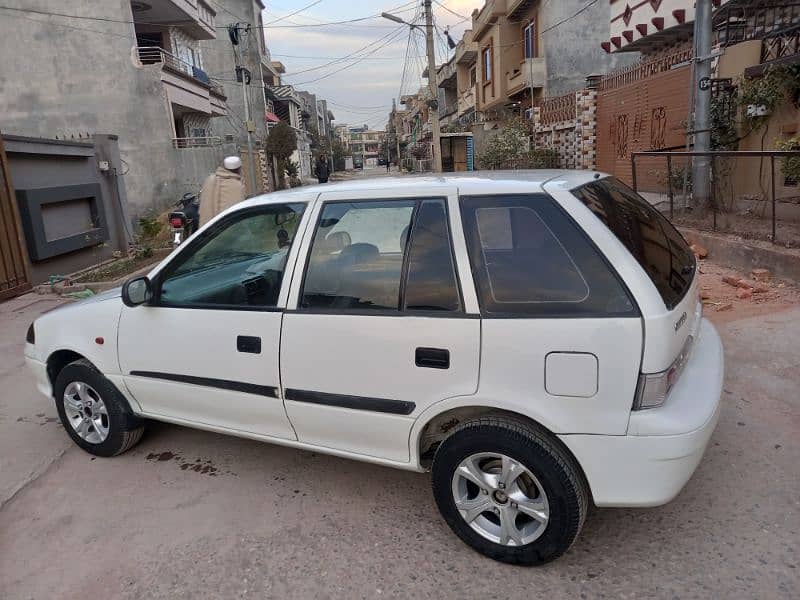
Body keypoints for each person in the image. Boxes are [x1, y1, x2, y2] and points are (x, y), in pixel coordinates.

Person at [198, 156, 246, 225]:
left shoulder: (209, 180)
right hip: (225, 230)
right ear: (239, 169)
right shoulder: (237, 186)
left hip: (206, 229)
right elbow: (239, 213)